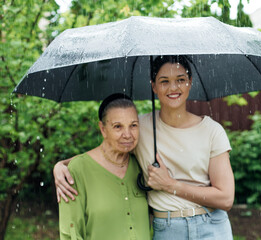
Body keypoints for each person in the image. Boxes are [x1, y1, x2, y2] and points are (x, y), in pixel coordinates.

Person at [54, 55, 235, 240]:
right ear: (153, 86)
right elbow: (106, 150)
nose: (173, 88)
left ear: (190, 82)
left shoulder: (211, 131)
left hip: (212, 226)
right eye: (164, 81)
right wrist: (62, 165)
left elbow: (226, 198)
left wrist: (170, 185)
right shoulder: (138, 127)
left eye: (180, 80)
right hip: (168, 229)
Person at [58, 94, 150, 240]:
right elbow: (70, 234)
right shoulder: (78, 170)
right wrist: (59, 165)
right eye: (118, 126)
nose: (127, 135)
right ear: (103, 129)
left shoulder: (142, 163)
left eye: (133, 125)